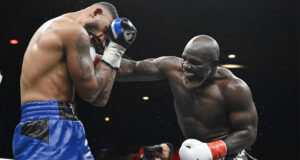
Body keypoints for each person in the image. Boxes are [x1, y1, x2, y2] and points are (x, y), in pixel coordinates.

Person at [13, 2, 137, 160]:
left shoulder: (69, 33)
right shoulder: (72, 30)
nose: (103, 39)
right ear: (96, 12)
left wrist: (116, 51)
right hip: (45, 126)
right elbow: (91, 92)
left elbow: (100, 99)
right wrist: (114, 50)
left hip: (69, 125)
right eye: (106, 30)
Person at [117, 35, 258, 160]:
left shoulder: (233, 88)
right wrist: (104, 56)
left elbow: (248, 132)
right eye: (184, 59)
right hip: (193, 152)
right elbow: (132, 68)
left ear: (214, 64)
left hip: (228, 153)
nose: (186, 66)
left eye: (195, 63)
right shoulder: (173, 68)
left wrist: (212, 150)